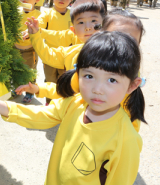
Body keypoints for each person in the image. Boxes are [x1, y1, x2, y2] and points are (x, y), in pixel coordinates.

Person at [0, 31, 146, 185]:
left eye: (112, 80)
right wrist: (1, 106)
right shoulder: (75, 103)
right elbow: (42, 115)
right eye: (89, 76)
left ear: (132, 85)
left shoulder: (125, 141)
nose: (97, 89)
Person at [17, 8, 145, 131]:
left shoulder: (130, 76)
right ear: (101, 34)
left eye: (132, 41)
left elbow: (132, 126)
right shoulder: (85, 59)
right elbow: (71, 90)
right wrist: (40, 89)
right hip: (78, 129)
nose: (123, 44)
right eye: (117, 36)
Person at [32, 0, 76, 104]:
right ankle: (49, 102)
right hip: (50, 55)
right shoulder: (47, 14)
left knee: (66, 80)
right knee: (50, 80)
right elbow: (38, 26)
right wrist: (32, 30)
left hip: (68, 56)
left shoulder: (74, 15)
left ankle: (63, 103)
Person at [15, 0, 42, 103]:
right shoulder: (15, 12)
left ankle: (30, 92)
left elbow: (42, 31)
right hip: (15, 48)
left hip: (30, 50)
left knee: (30, 71)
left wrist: (30, 33)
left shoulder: (39, 15)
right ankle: (17, 89)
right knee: (15, 69)